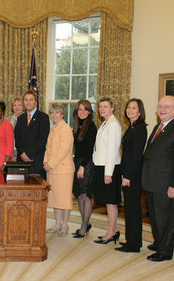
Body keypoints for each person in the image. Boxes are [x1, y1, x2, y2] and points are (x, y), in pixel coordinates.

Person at [142, 95, 174, 262]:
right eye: (160, 106)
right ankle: (159, 243)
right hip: (151, 182)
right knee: (155, 218)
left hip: (166, 185)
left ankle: (165, 251)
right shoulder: (159, 126)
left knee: (166, 219)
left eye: (167, 107)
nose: (162, 109)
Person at [115, 98, 147, 253]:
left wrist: (127, 175)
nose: (130, 110)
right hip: (128, 173)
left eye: (134, 108)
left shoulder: (140, 128)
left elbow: (135, 156)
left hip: (134, 175)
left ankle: (133, 244)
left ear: (140, 111)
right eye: (128, 107)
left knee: (132, 209)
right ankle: (134, 241)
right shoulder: (132, 127)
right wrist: (123, 173)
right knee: (130, 208)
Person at [92, 97, 122, 244]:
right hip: (101, 166)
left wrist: (108, 173)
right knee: (108, 202)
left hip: (109, 168)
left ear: (112, 108)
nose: (102, 109)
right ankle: (113, 230)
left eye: (105, 106)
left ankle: (111, 233)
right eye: (100, 107)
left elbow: (112, 150)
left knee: (111, 202)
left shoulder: (113, 125)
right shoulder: (105, 124)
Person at [43, 103, 75, 236]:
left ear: (62, 114)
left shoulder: (66, 129)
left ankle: (65, 225)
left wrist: (51, 163)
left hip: (63, 170)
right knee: (55, 198)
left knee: (64, 199)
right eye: (52, 113)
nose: (54, 115)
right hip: (52, 169)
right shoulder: (53, 128)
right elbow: (48, 148)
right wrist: (45, 162)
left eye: (57, 112)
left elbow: (63, 150)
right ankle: (57, 224)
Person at [71, 100, 97, 238]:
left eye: (85, 110)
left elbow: (89, 149)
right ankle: (85, 224)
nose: (82, 112)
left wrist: (82, 167)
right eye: (80, 109)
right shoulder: (77, 125)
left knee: (85, 195)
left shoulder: (91, 127)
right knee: (79, 195)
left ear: (89, 112)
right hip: (77, 162)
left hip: (86, 164)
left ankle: (83, 227)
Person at [14, 90, 50, 179]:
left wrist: (29, 154)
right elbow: (17, 138)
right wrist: (23, 153)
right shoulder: (20, 118)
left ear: (36, 102)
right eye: (26, 100)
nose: (28, 102)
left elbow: (42, 139)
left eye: (31, 100)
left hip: (36, 160)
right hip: (22, 160)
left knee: (37, 190)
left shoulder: (43, 117)